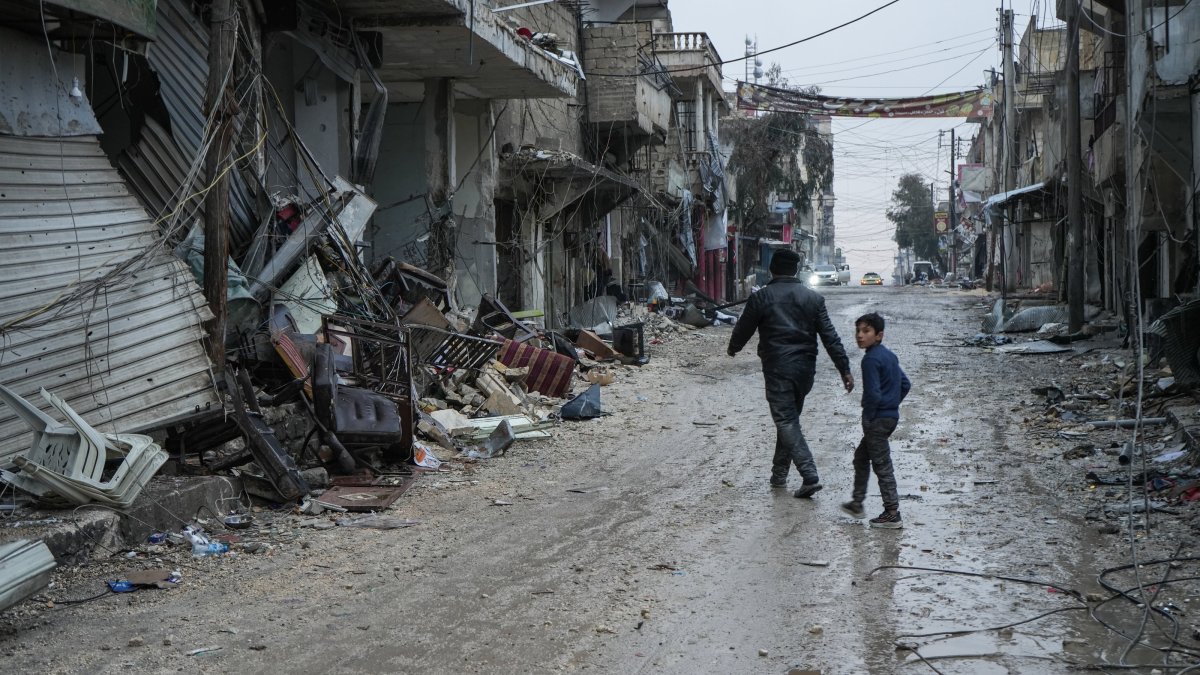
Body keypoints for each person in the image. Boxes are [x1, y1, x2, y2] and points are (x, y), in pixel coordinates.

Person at [727, 250, 855, 498]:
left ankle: (809, 475)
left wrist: (734, 348)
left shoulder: (761, 297)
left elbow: (743, 329)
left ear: (772, 269)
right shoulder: (813, 299)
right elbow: (830, 337)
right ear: (796, 270)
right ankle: (778, 475)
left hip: (777, 368)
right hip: (805, 370)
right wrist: (844, 369)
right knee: (788, 420)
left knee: (786, 421)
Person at [840, 312, 911, 529]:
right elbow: (905, 384)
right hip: (889, 417)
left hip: (877, 420)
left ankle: (892, 513)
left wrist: (870, 417)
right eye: (858, 331)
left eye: (866, 331)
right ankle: (857, 503)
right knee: (861, 457)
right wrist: (892, 405)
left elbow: (873, 394)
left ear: (879, 335)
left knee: (882, 465)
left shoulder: (870, 359)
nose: (860, 336)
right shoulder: (889, 356)